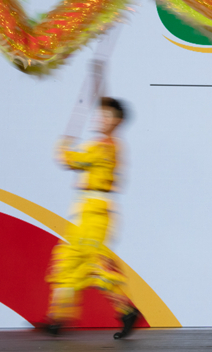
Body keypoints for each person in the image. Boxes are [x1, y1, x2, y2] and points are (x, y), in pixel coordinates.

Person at [43, 97, 140, 339]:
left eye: (106, 116)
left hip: (95, 212)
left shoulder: (103, 146)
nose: (100, 119)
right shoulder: (107, 144)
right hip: (85, 210)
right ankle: (58, 318)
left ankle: (126, 310)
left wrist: (63, 144)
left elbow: (70, 160)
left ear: (117, 121)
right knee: (67, 260)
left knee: (95, 262)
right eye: (100, 114)